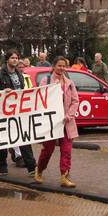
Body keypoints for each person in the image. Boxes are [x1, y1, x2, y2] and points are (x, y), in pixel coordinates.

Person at [0, 49, 36, 176]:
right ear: (7, 59)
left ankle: (32, 167)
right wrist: (3, 93)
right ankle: (3, 167)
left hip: (18, 112)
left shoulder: (20, 75)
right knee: (3, 140)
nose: (15, 60)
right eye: (12, 58)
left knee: (24, 138)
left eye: (16, 58)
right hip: (4, 113)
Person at [34, 56, 78, 188]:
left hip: (66, 122)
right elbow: (40, 98)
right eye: (59, 65)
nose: (61, 68)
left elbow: (75, 101)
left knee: (67, 150)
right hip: (51, 123)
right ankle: (39, 170)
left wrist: (69, 115)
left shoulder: (69, 83)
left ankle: (64, 176)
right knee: (48, 149)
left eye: (64, 66)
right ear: (53, 66)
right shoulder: (46, 80)